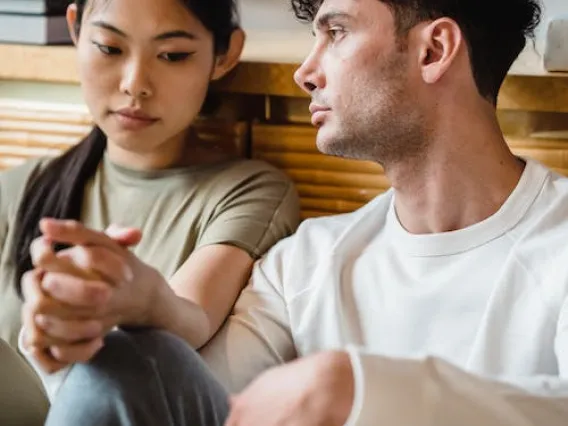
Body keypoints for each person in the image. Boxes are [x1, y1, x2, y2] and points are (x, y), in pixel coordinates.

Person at [19, 0, 568, 424]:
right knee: (120, 361)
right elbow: (187, 403)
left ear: (433, 51)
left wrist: (361, 387)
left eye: (336, 32)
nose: (304, 72)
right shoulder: (302, 263)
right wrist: (80, 334)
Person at [0, 0, 299, 424]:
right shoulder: (17, 190)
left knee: (115, 362)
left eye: (172, 55)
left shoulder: (248, 192)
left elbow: (191, 317)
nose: (135, 84)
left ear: (225, 54)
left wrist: (143, 301)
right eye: (109, 47)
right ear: (75, 30)